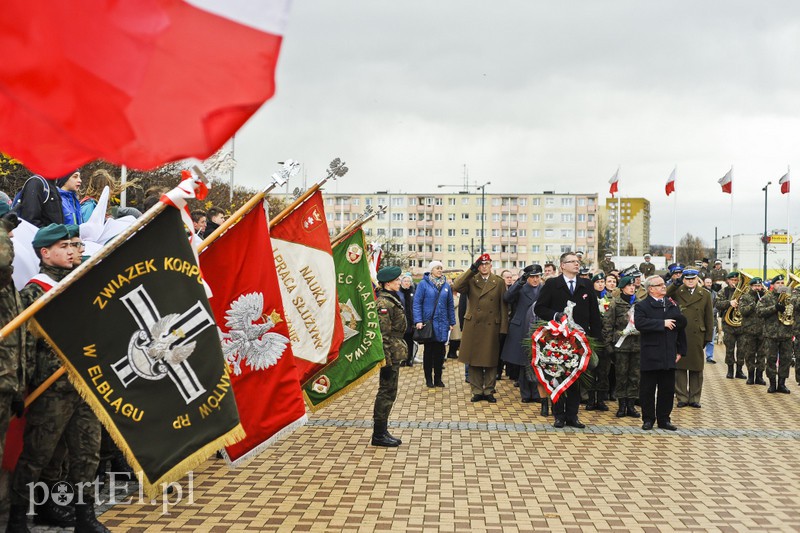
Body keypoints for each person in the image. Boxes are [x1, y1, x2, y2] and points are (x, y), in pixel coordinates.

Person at [9, 224, 109, 532]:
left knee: (86, 454)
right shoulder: (33, 292)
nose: (72, 251)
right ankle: (17, 518)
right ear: (45, 252)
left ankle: (85, 516)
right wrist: (22, 384)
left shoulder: (79, 285)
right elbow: (24, 344)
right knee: (37, 455)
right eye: (63, 246)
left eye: (74, 245)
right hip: (50, 388)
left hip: (84, 384)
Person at [534, 252, 602, 428]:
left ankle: (573, 415)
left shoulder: (586, 284)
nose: (576, 264)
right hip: (557, 338)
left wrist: (595, 339)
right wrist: (556, 315)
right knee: (558, 375)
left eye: (577, 261)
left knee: (575, 377)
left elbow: (594, 314)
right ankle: (558, 415)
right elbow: (539, 308)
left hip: (579, 339)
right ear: (562, 265)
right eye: (572, 261)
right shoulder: (552, 284)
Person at [453, 254, 508, 403]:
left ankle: (489, 390)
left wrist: (503, 328)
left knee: (491, 359)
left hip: (492, 325)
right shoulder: (471, 279)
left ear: (491, 265)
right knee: (474, 359)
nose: (484, 266)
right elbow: (456, 286)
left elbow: (503, 306)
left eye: (486, 264)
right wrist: (471, 270)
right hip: (474, 325)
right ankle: (477, 391)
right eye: (481, 264)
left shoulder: (499, 282)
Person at [634, 275, 687, 431]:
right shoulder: (642, 305)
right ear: (651, 289)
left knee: (667, 390)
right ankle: (648, 419)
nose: (664, 286)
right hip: (650, 353)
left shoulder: (672, 304)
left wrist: (681, 350)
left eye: (664, 284)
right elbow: (640, 323)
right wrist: (662, 323)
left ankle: (664, 419)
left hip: (669, 352)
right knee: (647, 389)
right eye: (659, 285)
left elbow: (680, 328)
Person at [371, 266, 407, 447]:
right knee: (386, 392)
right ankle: (378, 434)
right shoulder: (384, 304)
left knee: (389, 392)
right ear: (387, 283)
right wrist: (386, 361)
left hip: (394, 350)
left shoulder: (391, 299)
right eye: (396, 280)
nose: (399, 282)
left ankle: (382, 431)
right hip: (390, 353)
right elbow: (382, 335)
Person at [668, 269, 713, 409]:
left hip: (697, 335)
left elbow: (709, 317)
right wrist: (675, 283)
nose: (690, 281)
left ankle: (694, 398)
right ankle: (681, 397)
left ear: (697, 279)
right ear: (683, 279)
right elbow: (666, 295)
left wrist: (708, 336)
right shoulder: (677, 291)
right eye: (687, 279)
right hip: (680, 334)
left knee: (696, 367)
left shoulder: (705, 294)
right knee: (680, 367)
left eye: (693, 278)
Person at [500, 264, 543, 405]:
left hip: (538, 327)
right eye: (532, 277)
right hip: (522, 327)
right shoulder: (521, 288)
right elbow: (507, 297)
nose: (535, 280)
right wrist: (519, 282)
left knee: (537, 361)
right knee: (523, 362)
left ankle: (536, 393)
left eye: (537, 276)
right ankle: (525, 393)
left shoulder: (543, 289)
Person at [413, 261, 455, 388]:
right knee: (428, 352)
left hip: (442, 324)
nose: (440, 270)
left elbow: (450, 305)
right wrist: (418, 320)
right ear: (431, 270)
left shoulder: (446, 285)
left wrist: (451, 321)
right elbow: (417, 303)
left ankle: (438, 379)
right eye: (437, 268)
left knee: (440, 353)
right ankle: (428, 379)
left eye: (441, 268)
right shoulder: (423, 284)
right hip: (429, 323)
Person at [604, 276, 641, 418]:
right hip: (621, 346)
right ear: (622, 288)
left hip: (637, 345)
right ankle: (622, 405)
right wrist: (608, 345)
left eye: (633, 286)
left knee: (635, 376)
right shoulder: (615, 304)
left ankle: (631, 405)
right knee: (621, 376)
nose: (632, 288)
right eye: (628, 286)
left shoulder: (639, 304)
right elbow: (608, 325)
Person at [756, 275, 795, 394]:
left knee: (786, 360)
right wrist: (774, 308)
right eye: (778, 283)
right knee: (771, 359)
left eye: (782, 283)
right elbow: (759, 312)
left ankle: (782, 384)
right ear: (772, 285)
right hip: (771, 334)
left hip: (786, 333)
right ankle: (772, 383)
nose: (781, 285)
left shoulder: (789, 297)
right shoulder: (766, 297)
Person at [587, 272, 611, 411]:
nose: (601, 284)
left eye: (602, 282)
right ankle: (590, 399)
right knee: (591, 370)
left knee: (603, 371)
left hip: (605, 340)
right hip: (592, 339)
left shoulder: (609, 298)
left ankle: (601, 399)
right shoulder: (589, 298)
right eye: (598, 282)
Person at [716, 272, 747, 377]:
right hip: (728, 324)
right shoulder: (723, 291)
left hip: (741, 324)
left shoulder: (744, 291)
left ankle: (739, 370)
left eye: (736, 280)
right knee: (729, 348)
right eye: (732, 280)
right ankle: (730, 370)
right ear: (728, 280)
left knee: (742, 349)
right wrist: (729, 303)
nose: (734, 282)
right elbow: (717, 304)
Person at [739, 277, 767, 385]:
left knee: (761, 354)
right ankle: (751, 376)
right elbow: (743, 311)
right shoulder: (745, 297)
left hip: (762, 330)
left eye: (759, 286)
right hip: (749, 330)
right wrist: (753, 304)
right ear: (751, 286)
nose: (757, 288)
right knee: (749, 354)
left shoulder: (765, 297)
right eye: (755, 286)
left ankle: (759, 376)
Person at [398, 273, 416, 366]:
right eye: (405, 281)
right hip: (402, 321)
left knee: (410, 341)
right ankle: (403, 359)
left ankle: (410, 358)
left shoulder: (413, 292)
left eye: (408, 281)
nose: (407, 283)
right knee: (402, 341)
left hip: (411, 321)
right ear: (401, 282)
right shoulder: (398, 293)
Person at [703, 276, 719, 365]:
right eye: (707, 282)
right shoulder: (700, 292)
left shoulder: (715, 294)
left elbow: (717, 306)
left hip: (712, 320)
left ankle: (709, 357)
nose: (709, 284)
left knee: (711, 340)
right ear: (704, 283)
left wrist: (710, 313)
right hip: (701, 320)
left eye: (710, 282)